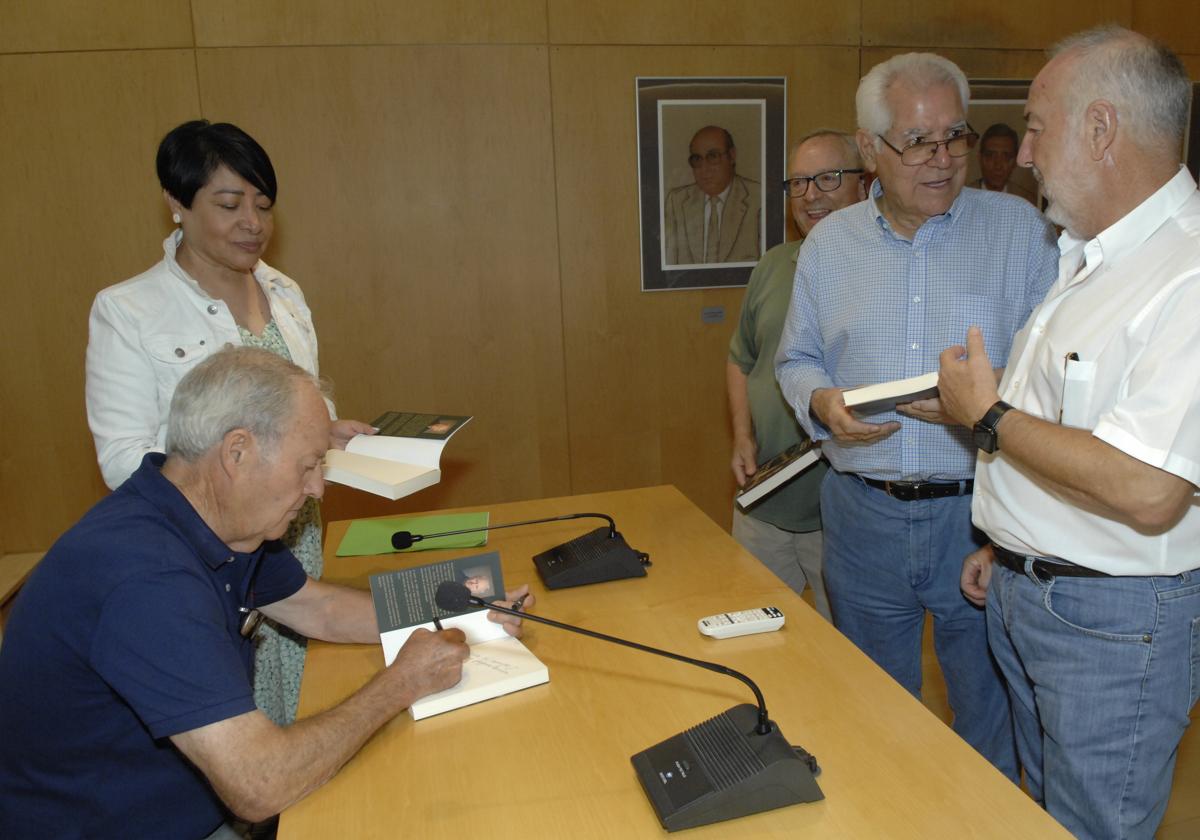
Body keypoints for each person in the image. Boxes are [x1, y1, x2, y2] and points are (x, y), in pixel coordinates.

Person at [0, 347, 532, 839]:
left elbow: (318, 609)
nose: (318, 489)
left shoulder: (209, 517)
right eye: (307, 467)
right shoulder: (145, 579)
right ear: (238, 452)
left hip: (192, 808)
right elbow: (261, 784)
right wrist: (400, 683)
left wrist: (467, 605)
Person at [936, 26, 1200, 839]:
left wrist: (985, 414)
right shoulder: (1088, 257)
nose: (1022, 155)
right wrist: (1010, 540)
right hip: (1036, 595)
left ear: (1102, 129)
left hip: (1113, 627)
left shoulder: (1187, 274)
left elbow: (1150, 490)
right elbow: (1065, 430)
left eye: (1038, 127)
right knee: (1047, 816)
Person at [775, 52, 1058, 779]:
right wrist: (819, 400)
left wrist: (985, 413)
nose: (942, 159)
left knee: (990, 720)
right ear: (869, 148)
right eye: (918, 142)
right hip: (862, 516)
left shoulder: (1018, 232)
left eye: (954, 138)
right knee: (873, 716)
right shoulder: (829, 246)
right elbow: (795, 357)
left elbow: (1053, 380)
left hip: (979, 516)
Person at [85, 120, 374, 726]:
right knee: (239, 702)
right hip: (210, 545)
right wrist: (234, 468)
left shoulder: (284, 291)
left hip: (294, 523)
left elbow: (292, 413)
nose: (253, 222)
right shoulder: (129, 309)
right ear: (176, 204)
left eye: (263, 206)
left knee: (315, 679)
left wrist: (326, 434)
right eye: (229, 203)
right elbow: (122, 460)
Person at [727, 130, 865, 619]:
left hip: (838, 516)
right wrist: (742, 436)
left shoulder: (884, 275)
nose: (811, 195)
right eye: (799, 182)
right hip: (762, 504)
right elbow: (741, 359)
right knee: (758, 646)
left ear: (864, 186)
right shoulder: (771, 265)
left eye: (828, 178)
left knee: (844, 660)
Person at [664, 125, 761, 265]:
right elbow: (668, 269)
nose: (704, 168)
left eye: (713, 156)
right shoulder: (677, 201)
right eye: (697, 159)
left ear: (732, 156)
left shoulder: (758, 199)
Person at [971, 122, 1037, 204]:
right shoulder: (961, 198)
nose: (998, 166)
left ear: (1015, 162)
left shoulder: (1027, 201)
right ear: (980, 158)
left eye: (1007, 157)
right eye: (990, 155)